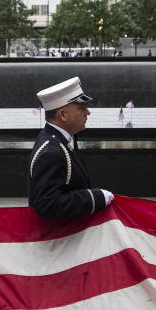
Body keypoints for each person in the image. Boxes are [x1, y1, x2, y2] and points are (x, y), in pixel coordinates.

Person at [28, 77, 114, 219]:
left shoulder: (64, 139)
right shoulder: (51, 152)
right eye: (82, 108)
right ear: (63, 115)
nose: (88, 113)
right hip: (59, 239)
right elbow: (48, 205)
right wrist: (94, 197)